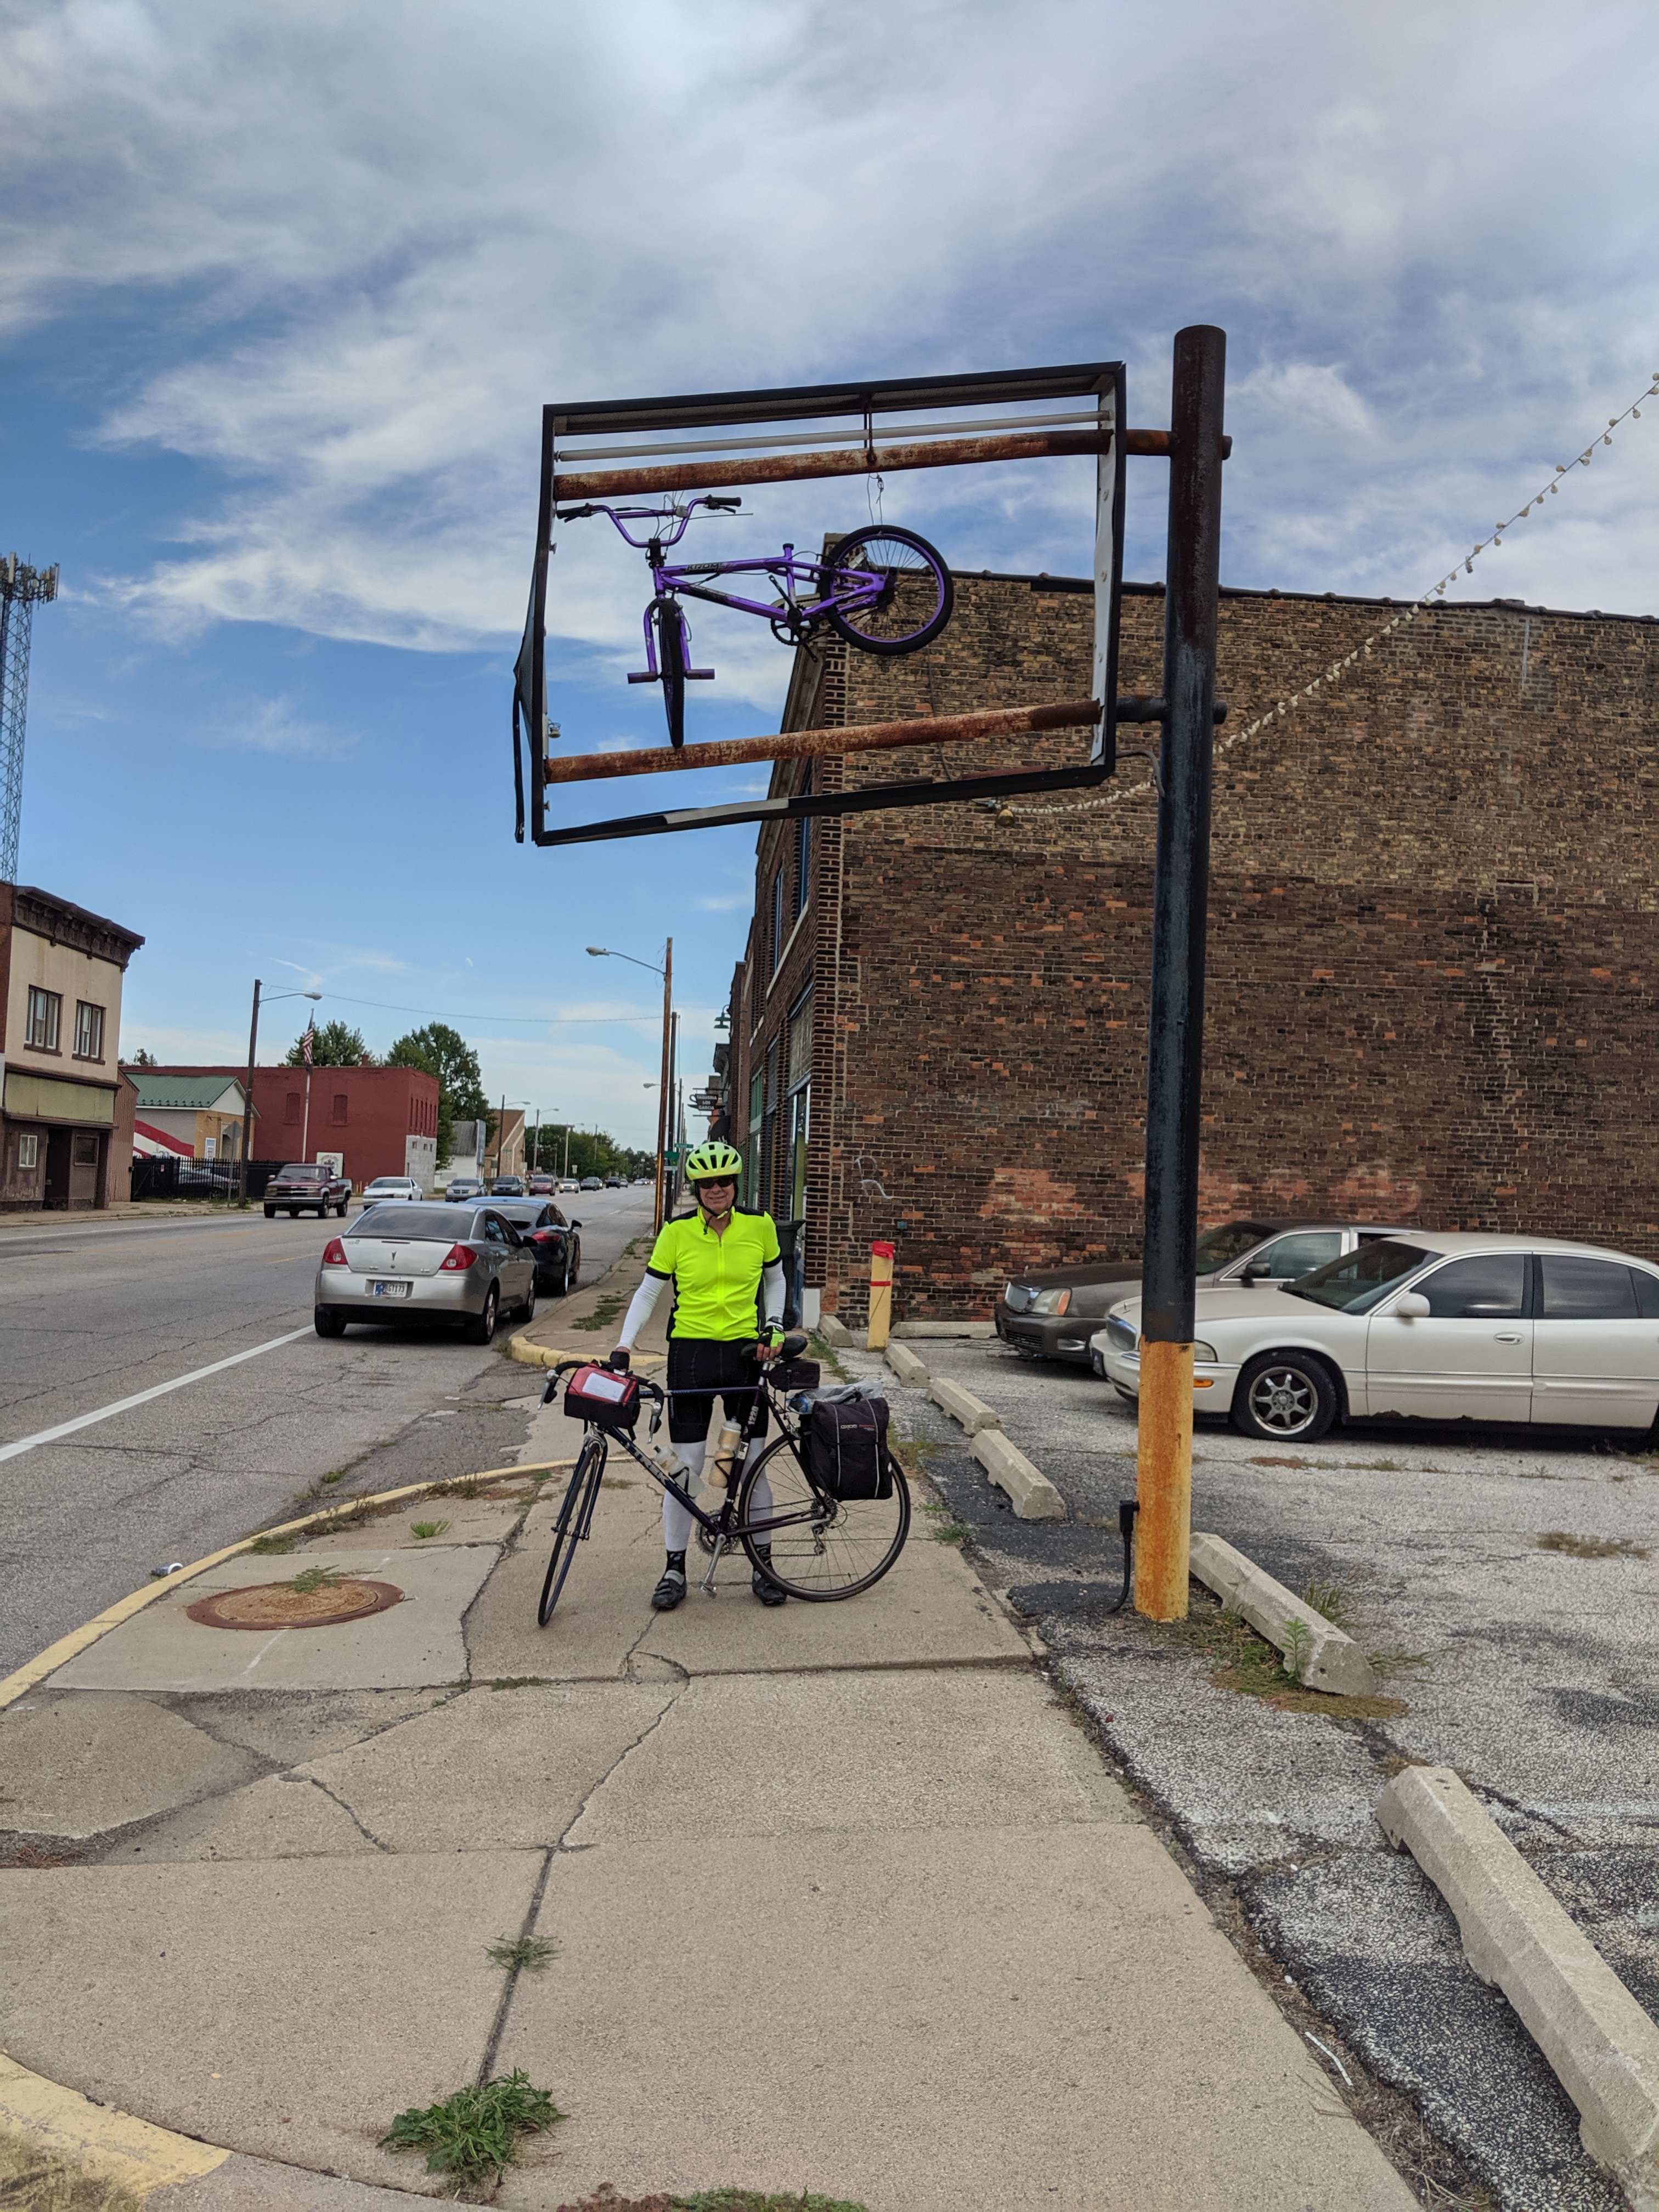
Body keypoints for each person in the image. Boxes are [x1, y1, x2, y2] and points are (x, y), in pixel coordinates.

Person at [613, 1138, 788, 1611]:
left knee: (748, 1467)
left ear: (736, 1184)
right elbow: (648, 1293)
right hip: (690, 1356)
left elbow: (775, 1279)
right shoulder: (677, 1233)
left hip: (745, 1355)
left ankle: (764, 1566)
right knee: (685, 1467)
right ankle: (674, 1568)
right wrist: (624, 1344)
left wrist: (774, 1324)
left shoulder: (760, 1226)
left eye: (725, 1181)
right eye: (708, 1182)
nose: (717, 1189)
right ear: (696, 1186)